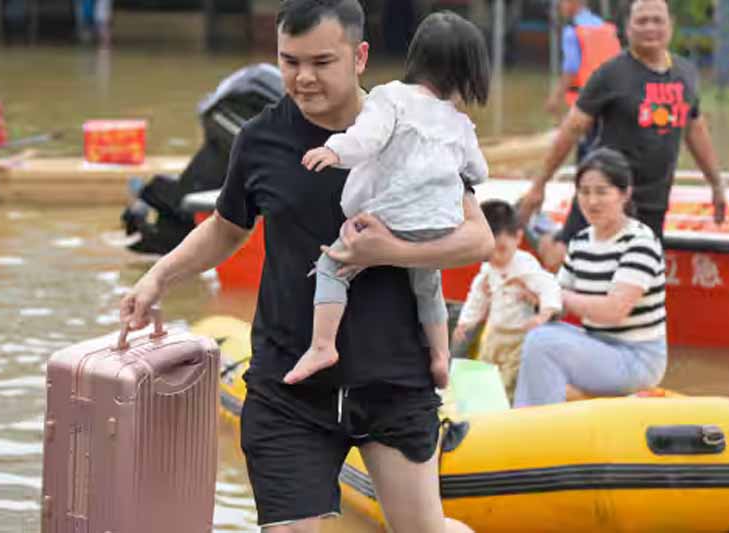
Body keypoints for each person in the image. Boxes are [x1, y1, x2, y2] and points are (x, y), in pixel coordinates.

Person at [118, 2, 492, 532]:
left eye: (321, 62)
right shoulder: (260, 139)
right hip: (289, 385)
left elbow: (477, 238)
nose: (303, 78)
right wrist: (157, 277)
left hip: (393, 377)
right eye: (289, 61)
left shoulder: (409, 122)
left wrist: (388, 252)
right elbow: (226, 228)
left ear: (359, 57)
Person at [285, 11, 491, 389]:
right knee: (428, 286)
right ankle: (440, 355)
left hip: (387, 218)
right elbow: (478, 171)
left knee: (331, 267)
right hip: (438, 225)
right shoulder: (459, 123)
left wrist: (334, 151)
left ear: (417, 57)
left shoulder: (391, 97)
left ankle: (322, 345)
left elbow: (367, 139)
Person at [521, 0, 726, 270]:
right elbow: (571, 129)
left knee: (641, 273)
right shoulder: (611, 74)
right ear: (628, 29)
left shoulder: (685, 73)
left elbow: (696, 130)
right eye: (642, 21)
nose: (650, 27)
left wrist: (716, 184)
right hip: (605, 194)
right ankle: (544, 237)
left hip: (653, 200)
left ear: (671, 26)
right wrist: (539, 185)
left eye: (657, 20)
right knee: (566, 262)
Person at [514, 148, 667, 407]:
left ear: (625, 194)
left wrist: (558, 295)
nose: (592, 201)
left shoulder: (640, 242)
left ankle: (532, 423)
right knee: (533, 332)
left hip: (637, 359)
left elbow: (614, 311)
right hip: (598, 346)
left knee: (543, 343)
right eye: (584, 192)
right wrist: (534, 295)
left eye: (601, 192)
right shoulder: (581, 241)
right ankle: (536, 411)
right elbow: (558, 304)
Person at [453, 200, 561, 399]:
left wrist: (544, 313)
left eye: (501, 249)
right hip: (494, 332)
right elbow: (477, 296)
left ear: (518, 237)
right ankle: (484, 402)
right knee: (486, 370)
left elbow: (548, 286)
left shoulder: (525, 265)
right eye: (489, 250)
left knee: (509, 380)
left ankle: (506, 404)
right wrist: (466, 322)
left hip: (518, 335)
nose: (495, 257)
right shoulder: (488, 268)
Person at [545, 0, 621, 162]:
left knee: (586, 153)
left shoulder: (573, 31)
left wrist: (555, 98)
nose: (560, 6)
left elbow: (570, 69)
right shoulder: (606, 28)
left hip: (587, 102)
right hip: (612, 100)